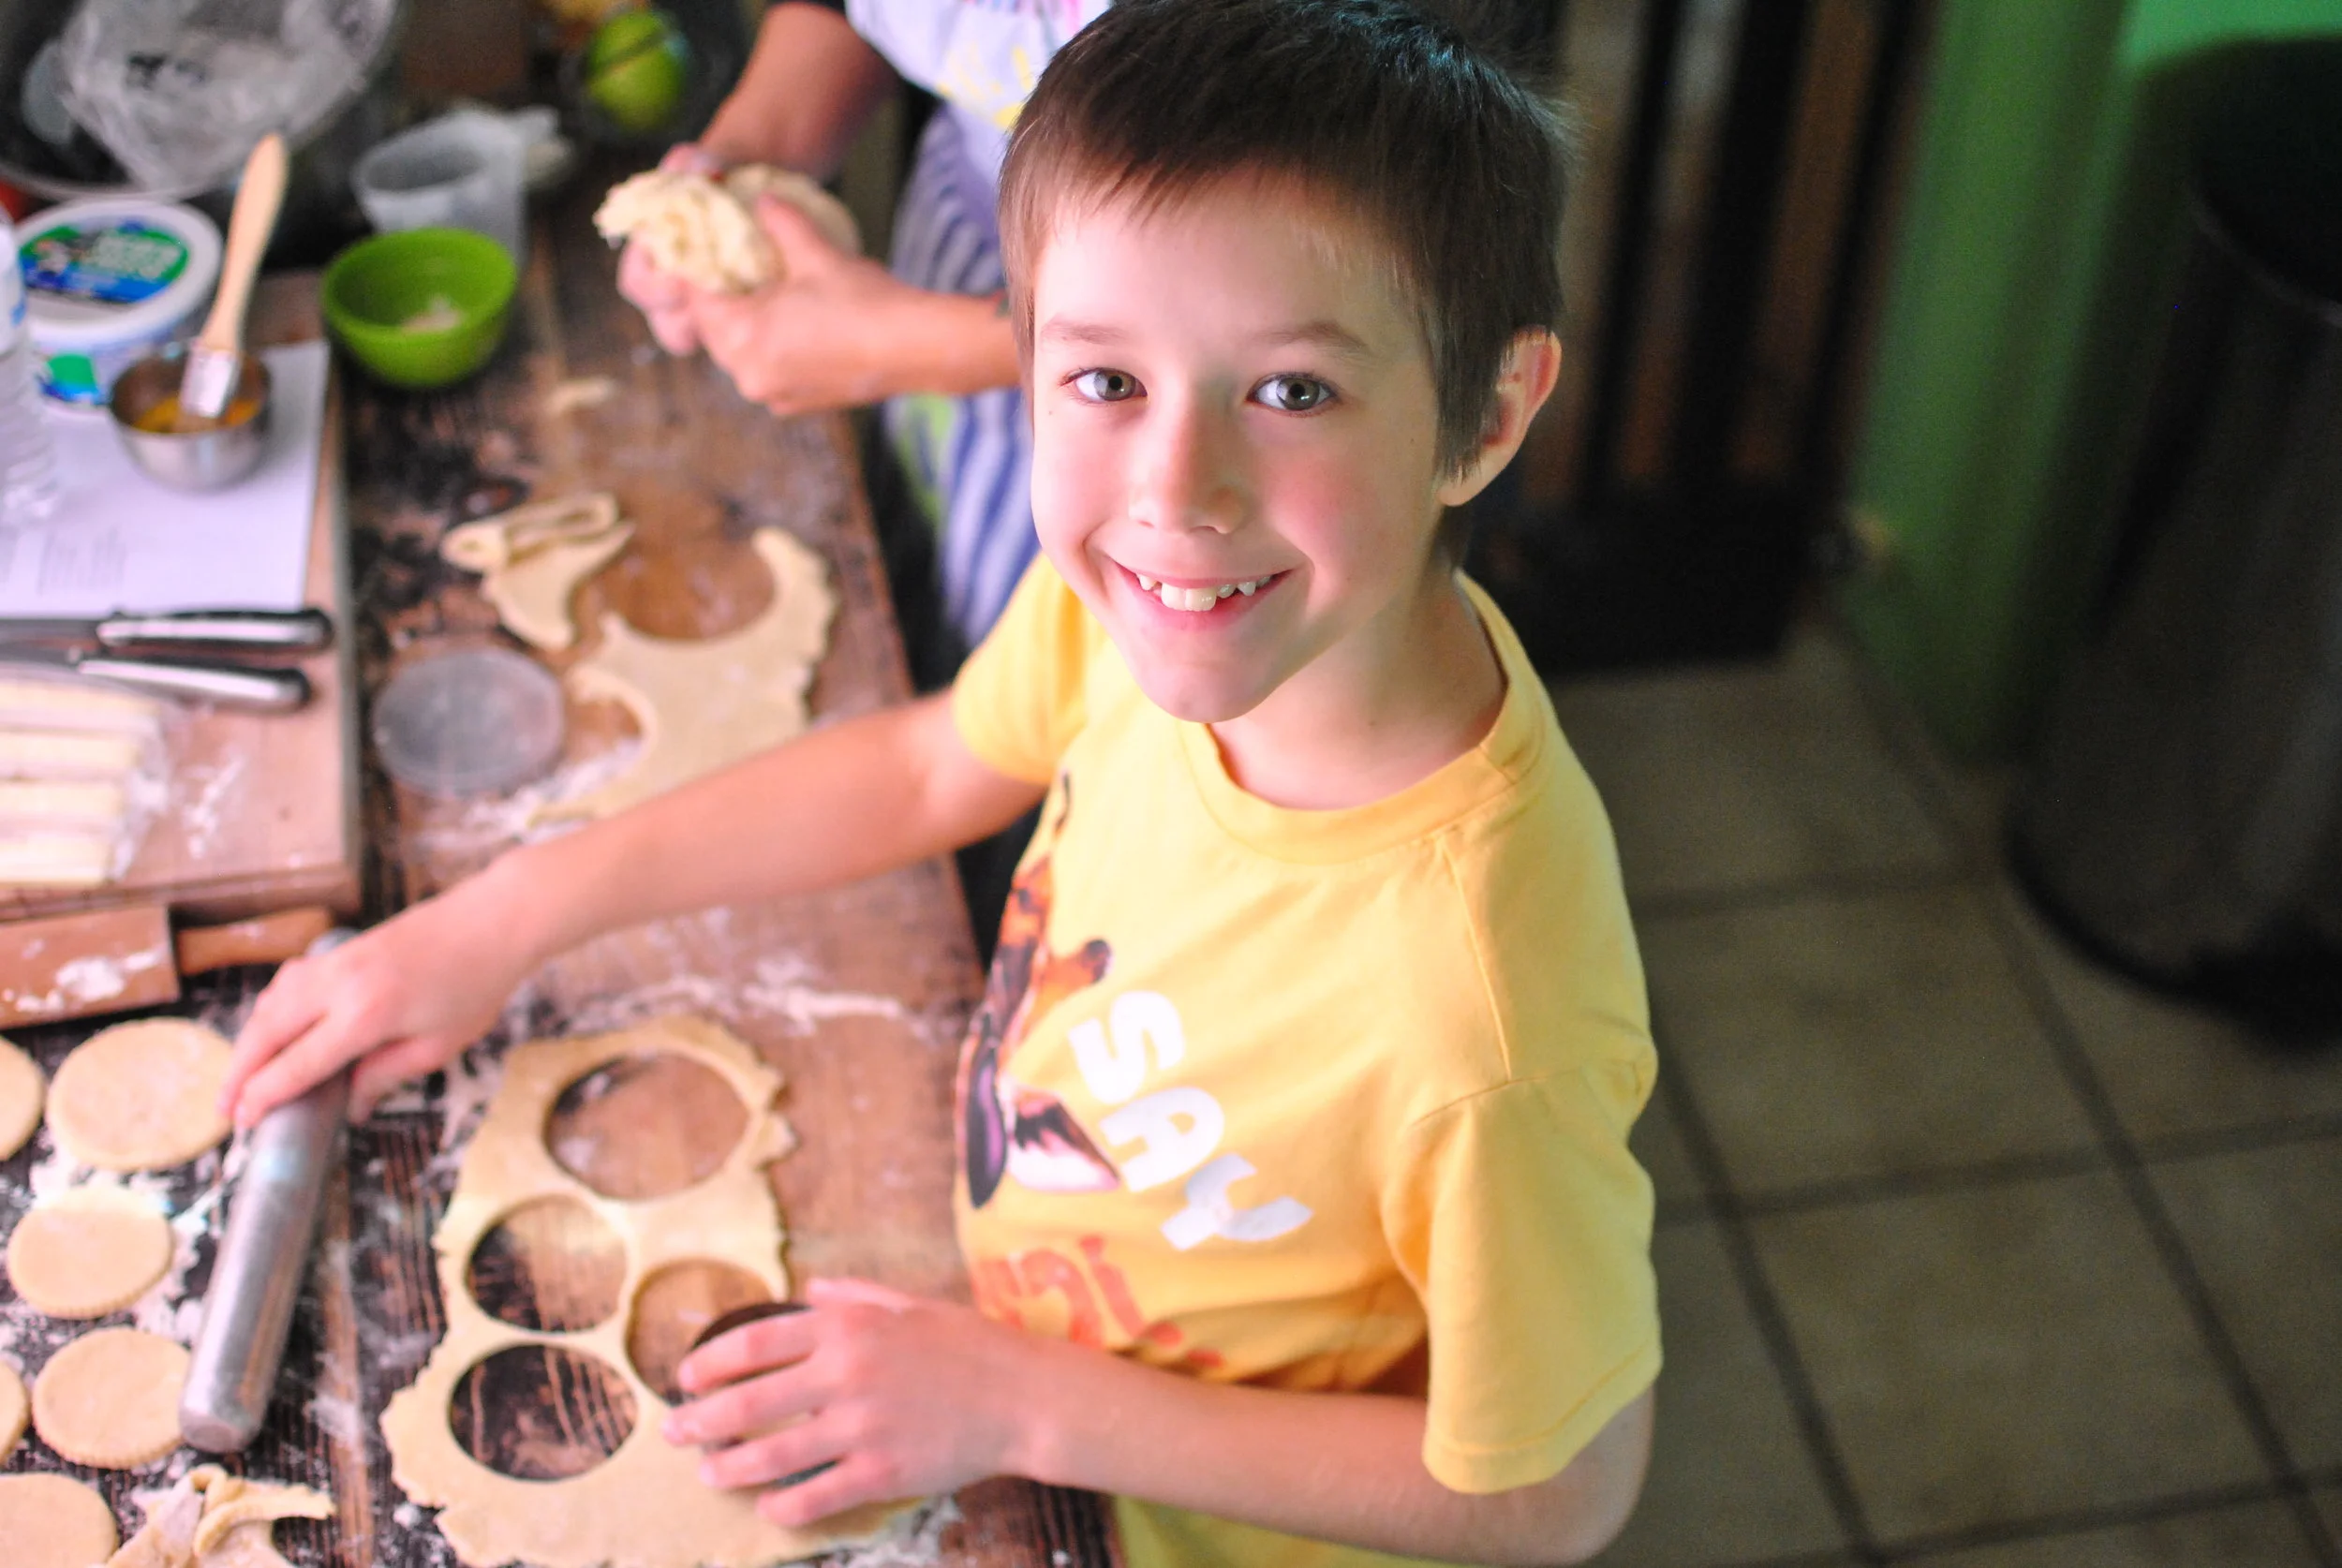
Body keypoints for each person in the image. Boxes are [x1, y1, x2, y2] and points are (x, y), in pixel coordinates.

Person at [224, 0, 1660, 1560]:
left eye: (1294, 391)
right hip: (1015, 1393)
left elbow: (1556, 1491)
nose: (1175, 491)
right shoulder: (1149, 613)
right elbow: (928, 767)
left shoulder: (1477, 1011)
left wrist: (1022, 1403)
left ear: (1486, 415)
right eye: (1103, 380)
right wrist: (503, 913)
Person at [621, 0, 1109, 657]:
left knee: (1030, 666)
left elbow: (1237, 303)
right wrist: (746, 165)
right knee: (906, 582)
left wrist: (902, 347)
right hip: (953, 242)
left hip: (1143, 391)